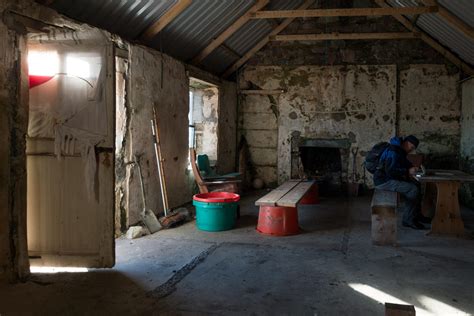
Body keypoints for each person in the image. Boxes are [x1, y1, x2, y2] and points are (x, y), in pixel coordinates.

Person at [373, 135, 430, 229]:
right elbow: (389, 171)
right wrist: (407, 171)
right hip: (383, 181)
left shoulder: (399, 150)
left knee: (416, 184)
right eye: (411, 148)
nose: (411, 150)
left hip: (388, 178)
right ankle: (408, 220)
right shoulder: (394, 151)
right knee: (413, 189)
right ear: (407, 143)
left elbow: (404, 162)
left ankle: (416, 215)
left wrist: (412, 166)